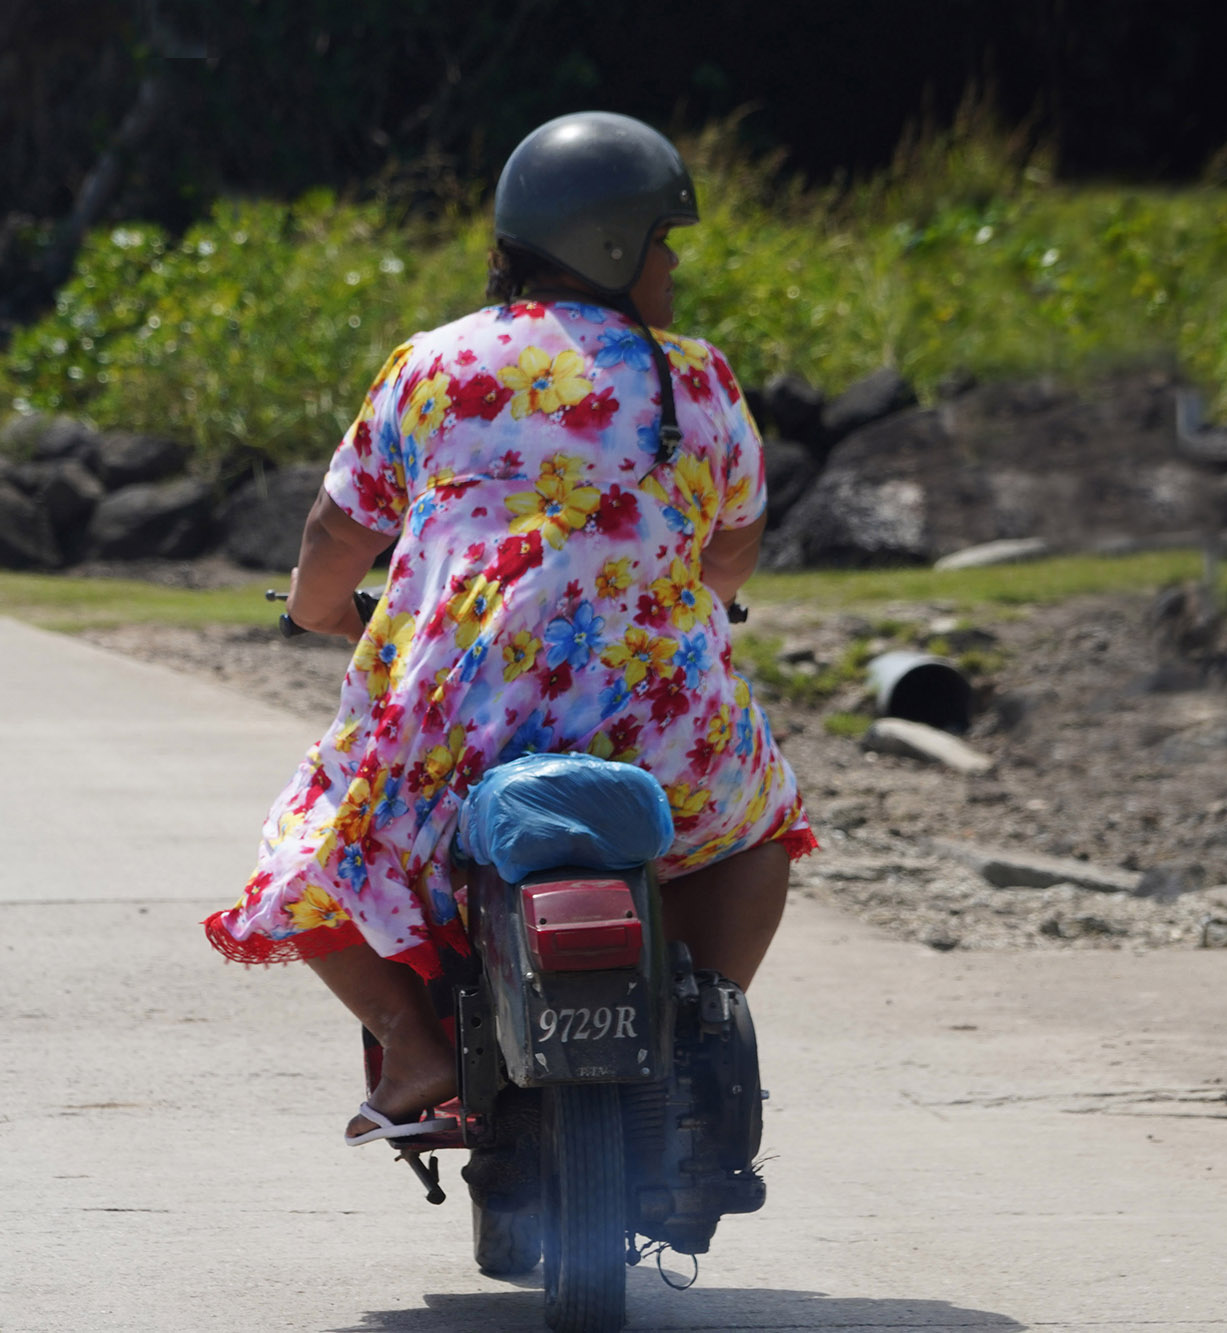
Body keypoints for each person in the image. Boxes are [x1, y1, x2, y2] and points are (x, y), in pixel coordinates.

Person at [203, 111, 815, 1144]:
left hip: (453, 740)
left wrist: (318, 613)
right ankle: (699, 1022)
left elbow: (333, 532)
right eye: (664, 243)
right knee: (760, 823)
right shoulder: (694, 378)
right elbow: (732, 551)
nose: (671, 266)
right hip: (655, 735)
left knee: (306, 845)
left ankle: (411, 1042)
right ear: (613, 248)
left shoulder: (433, 365)